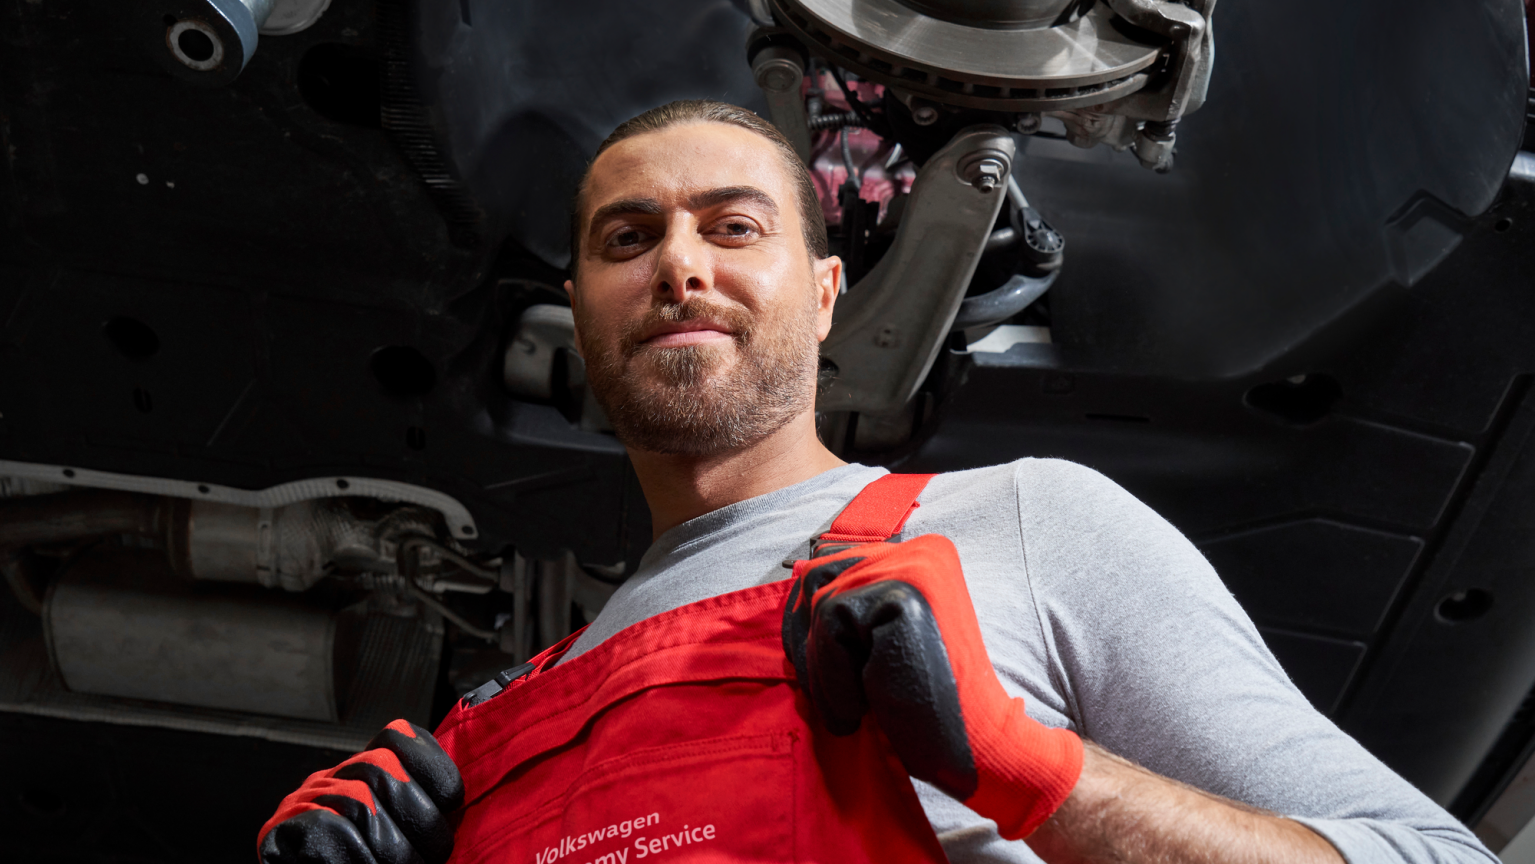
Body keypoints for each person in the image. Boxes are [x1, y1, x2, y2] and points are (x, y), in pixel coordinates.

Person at [260, 100, 1497, 864]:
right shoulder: (490, 736)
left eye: (735, 227)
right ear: (580, 311)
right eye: (626, 240)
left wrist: (1031, 770)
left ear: (824, 294)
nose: (680, 266)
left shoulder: (1018, 523)